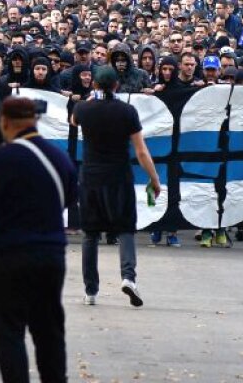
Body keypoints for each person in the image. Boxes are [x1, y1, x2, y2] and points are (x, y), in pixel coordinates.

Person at [0, 97, 78, 383]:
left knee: (7, 331)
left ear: (4, 122)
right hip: (50, 255)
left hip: (8, 255)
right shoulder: (59, 157)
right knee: (49, 330)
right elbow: (71, 199)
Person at [71, 65, 162, 307]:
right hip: (119, 177)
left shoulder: (83, 109)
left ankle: (91, 290)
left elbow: (73, 120)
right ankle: (128, 277)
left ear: (95, 85)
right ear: (116, 86)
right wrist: (154, 178)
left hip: (90, 177)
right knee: (125, 229)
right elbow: (141, 151)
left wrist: (90, 99)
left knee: (90, 234)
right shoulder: (128, 112)